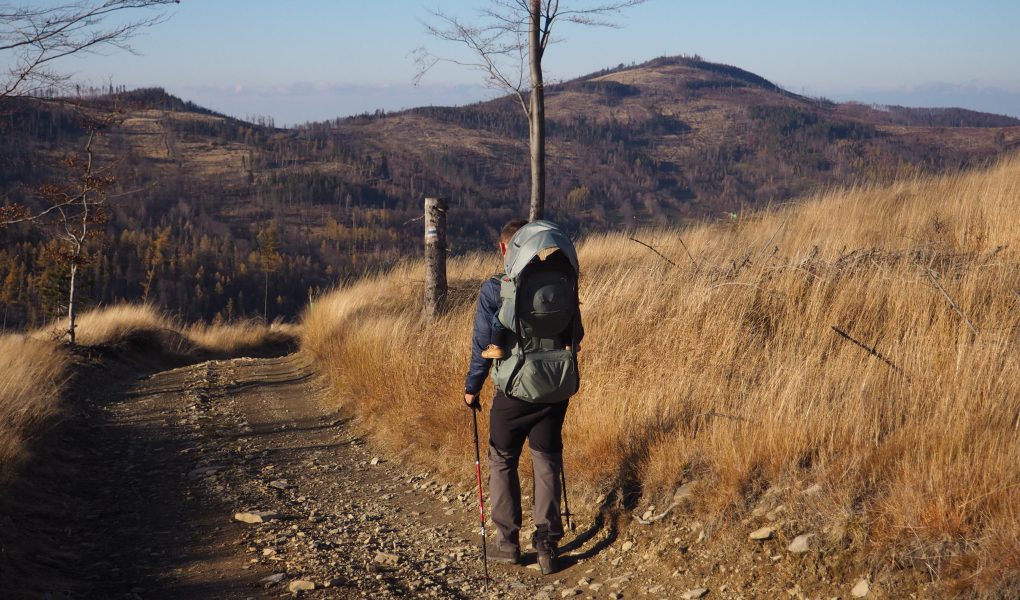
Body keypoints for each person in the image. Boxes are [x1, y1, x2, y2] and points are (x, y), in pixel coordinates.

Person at [463, 218, 583, 575]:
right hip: (555, 387)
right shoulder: (560, 283)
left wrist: (472, 387)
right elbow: (577, 333)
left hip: (513, 389)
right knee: (546, 460)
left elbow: (484, 345)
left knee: (502, 459)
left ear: (505, 249)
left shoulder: (495, 288)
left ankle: (508, 543)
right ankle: (547, 544)